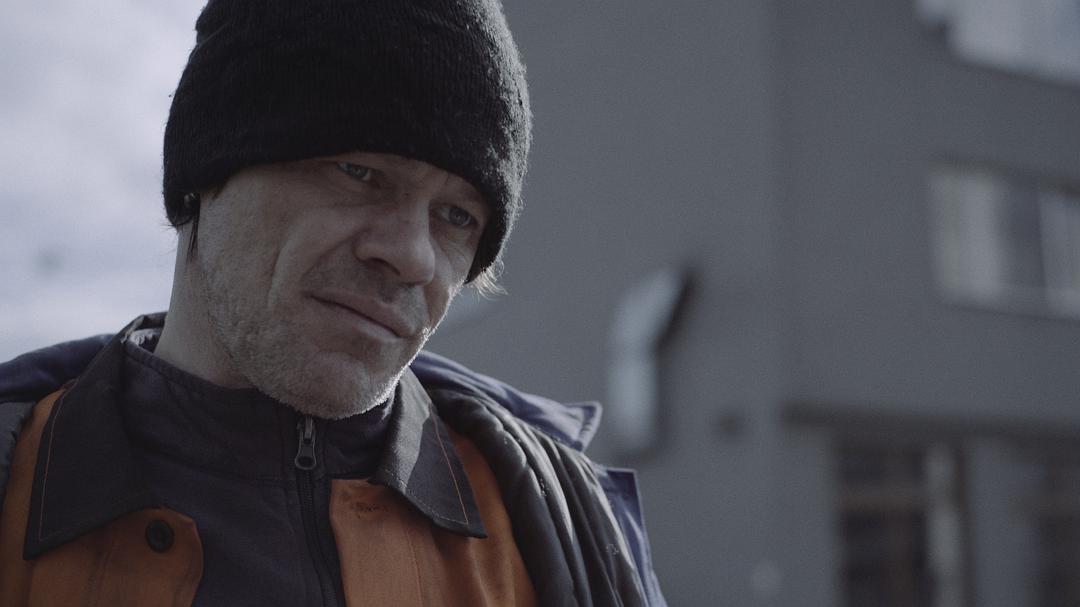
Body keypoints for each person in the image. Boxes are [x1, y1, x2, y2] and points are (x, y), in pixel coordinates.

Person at [0, 1, 666, 606]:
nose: (413, 257)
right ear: (208, 168)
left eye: (457, 216)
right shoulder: (18, 485)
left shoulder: (558, 522)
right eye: (359, 172)